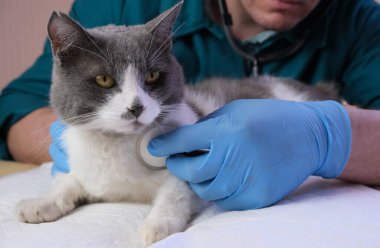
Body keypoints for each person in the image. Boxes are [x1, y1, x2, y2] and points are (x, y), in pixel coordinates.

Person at [1, 0, 380, 210]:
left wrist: (330, 137)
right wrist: (91, 146)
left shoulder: (360, 19)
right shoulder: (122, 5)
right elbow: (14, 106)